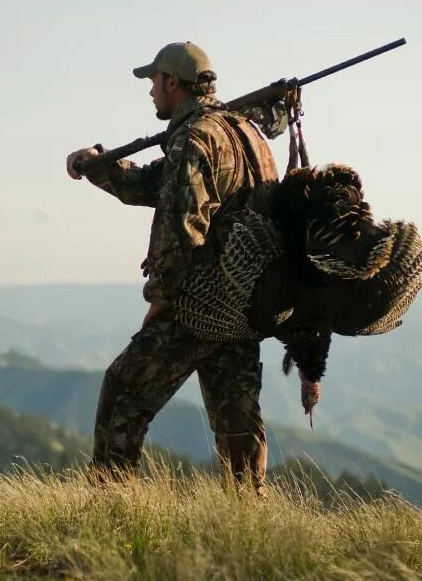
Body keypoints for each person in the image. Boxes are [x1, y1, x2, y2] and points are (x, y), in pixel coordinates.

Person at [65, 41, 283, 494]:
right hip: (245, 307)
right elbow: (151, 183)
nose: (150, 93)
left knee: (124, 389)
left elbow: (180, 225)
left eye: (153, 83)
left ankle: (111, 507)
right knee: (237, 419)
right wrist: (97, 164)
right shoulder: (245, 134)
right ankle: (249, 522)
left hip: (199, 303)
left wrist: (161, 300)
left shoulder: (195, 138)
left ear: (171, 82)